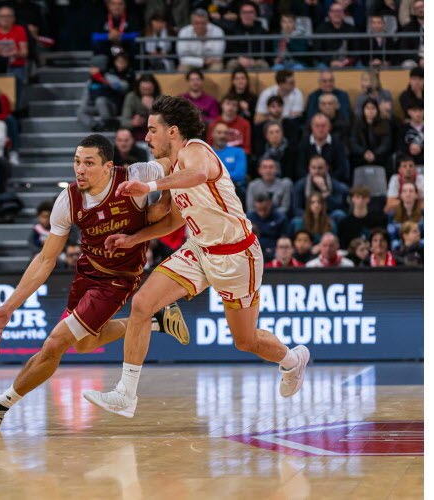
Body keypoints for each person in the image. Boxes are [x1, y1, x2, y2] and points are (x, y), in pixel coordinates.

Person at [82, 96, 310, 419]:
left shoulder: (196, 151)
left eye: (152, 130)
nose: (146, 137)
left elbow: (200, 175)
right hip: (199, 250)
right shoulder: (173, 166)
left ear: (172, 132)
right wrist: (132, 238)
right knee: (143, 304)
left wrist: (149, 186)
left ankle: (292, 360)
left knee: (245, 341)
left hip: (236, 256)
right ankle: (126, 393)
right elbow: (176, 220)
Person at [0, 134, 190, 430]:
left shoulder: (135, 177)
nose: (80, 169)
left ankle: (0, 405)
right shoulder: (69, 199)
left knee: (54, 344)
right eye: (77, 162)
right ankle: (156, 321)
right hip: (87, 275)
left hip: (117, 280)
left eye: (89, 163)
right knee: (85, 344)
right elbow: (45, 259)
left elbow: (173, 161)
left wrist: (167, 193)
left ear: (108, 167)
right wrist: (9, 307)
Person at [0, 6, 28, 102]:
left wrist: (13, 53)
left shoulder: (19, 30)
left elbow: (24, 52)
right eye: (2, 16)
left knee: (17, 84)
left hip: (16, 66)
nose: (5, 19)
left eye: (8, 16)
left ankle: (18, 110)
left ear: (13, 18)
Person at [77, 55, 130, 132]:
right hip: (97, 107)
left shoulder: (109, 77)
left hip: (112, 106)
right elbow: (84, 100)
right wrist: (83, 109)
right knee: (80, 111)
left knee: (100, 100)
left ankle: (108, 122)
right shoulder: (90, 82)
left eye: (93, 67)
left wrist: (104, 80)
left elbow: (124, 86)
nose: (90, 70)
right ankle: (96, 125)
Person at [294, 114, 350, 183]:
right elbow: (300, 169)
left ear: (329, 127)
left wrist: (326, 181)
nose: (320, 129)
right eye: (317, 126)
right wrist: (313, 180)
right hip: (308, 181)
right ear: (312, 127)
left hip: (332, 181)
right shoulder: (303, 144)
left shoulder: (337, 144)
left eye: (323, 126)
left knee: (343, 190)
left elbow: (341, 169)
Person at [292, 155, 349, 220]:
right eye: (313, 168)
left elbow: (337, 206)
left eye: (320, 168)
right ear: (309, 168)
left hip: (328, 215)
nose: (317, 171)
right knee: (296, 221)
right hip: (307, 216)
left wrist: (324, 189)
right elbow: (296, 208)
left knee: (339, 214)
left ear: (326, 168)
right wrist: (310, 217)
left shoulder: (335, 184)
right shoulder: (300, 184)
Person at [225, 1, 271, 71]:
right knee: (231, 64)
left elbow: (267, 50)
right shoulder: (232, 30)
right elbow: (230, 49)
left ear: (255, 14)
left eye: (251, 12)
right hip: (238, 60)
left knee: (263, 64)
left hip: (256, 61)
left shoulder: (262, 31)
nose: (247, 15)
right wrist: (239, 58)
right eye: (244, 12)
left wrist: (253, 60)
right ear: (240, 14)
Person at [313, 2, 360, 68]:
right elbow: (317, 51)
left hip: (347, 63)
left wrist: (347, 61)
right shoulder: (321, 29)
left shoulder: (351, 29)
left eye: (340, 11)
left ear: (344, 14)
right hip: (326, 63)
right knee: (321, 67)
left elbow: (356, 51)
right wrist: (330, 62)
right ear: (329, 14)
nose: (337, 14)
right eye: (334, 11)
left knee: (361, 68)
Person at [350, 98, 393, 168]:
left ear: (377, 110)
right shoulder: (357, 124)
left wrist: (375, 153)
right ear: (363, 110)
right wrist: (364, 153)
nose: (370, 111)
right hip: (361, 155)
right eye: (367, 108)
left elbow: (386, 144)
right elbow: (353, 142)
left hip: (379, 156)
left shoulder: (384, 123)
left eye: (373, 108)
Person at [208, 122, 247, 194]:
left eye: (225, 133)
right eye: (219, 133)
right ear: (212, 134)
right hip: (211, 191)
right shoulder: (206, 152)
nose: (222, 136)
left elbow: (240, 175)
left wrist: (215, 176)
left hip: (234, 190)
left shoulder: (238, 152)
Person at [247, 193, 289, 260]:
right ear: (255, 205)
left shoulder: (280, 217)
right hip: (255, 250)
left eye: (265, 209)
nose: (262, 213)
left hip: (275, 250)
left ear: (270, 204)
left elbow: (284, 238)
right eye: (259, 210)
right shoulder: (249, 218)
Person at [120, 74, 161, 140]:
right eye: (144, 89)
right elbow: (124, 121)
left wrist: (151, 108)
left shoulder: (160, 98)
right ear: (138, 88)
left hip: (155, 131)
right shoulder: (131, 97)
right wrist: (133, 122)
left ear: (154, 87)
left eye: (149, 89)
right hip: (135, 132)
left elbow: (165, 122)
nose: (146, 92)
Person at [397, 0, 424, 68]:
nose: (420, 10)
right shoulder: (408, 28)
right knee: (407, 65)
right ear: (414, 12)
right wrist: (418, 59)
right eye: (417, 8)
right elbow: (404, 50)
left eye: (422, 7)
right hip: (416, 57)